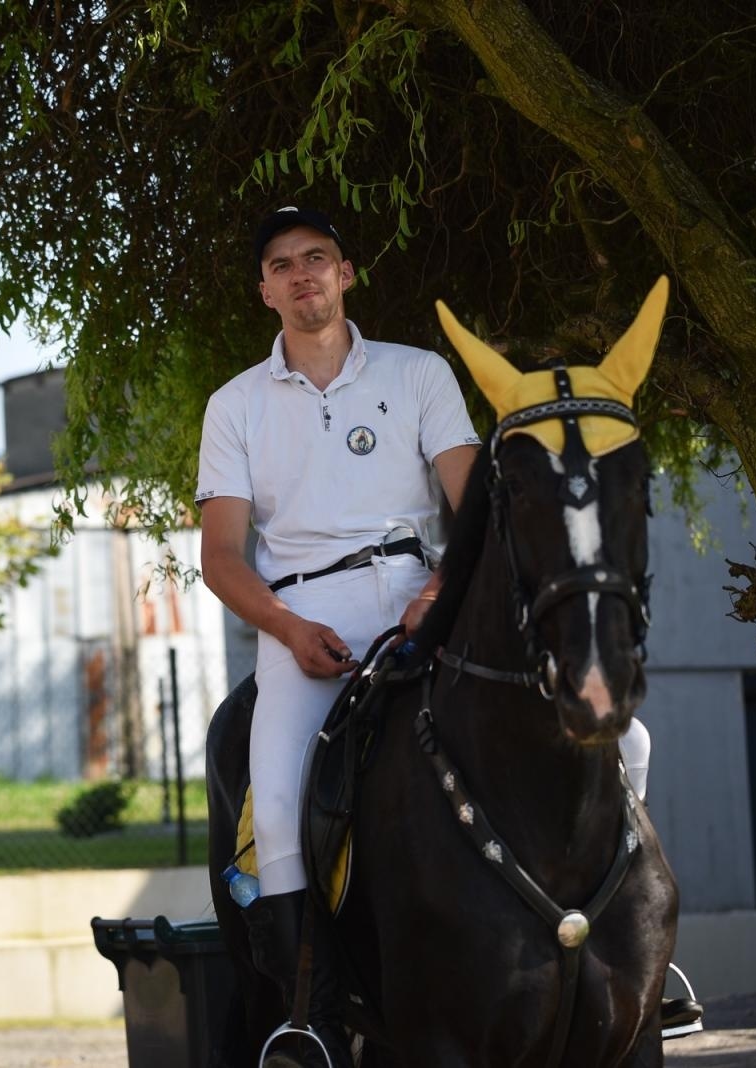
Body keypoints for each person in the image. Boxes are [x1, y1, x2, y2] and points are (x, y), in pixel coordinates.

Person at [197, 207, 482, 1066]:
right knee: (277, 811)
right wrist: (284, 628)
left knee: (621, 737)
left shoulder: (420, 372)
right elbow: (219, 557)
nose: (301, 274)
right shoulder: (234, 405)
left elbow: (475, 508)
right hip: (301, 621)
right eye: (281, 265)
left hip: (419, 601)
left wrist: (437, 592)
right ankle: (308, 1018)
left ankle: (632, 958)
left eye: (315, 258)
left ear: (346, 273)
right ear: (265, 292)